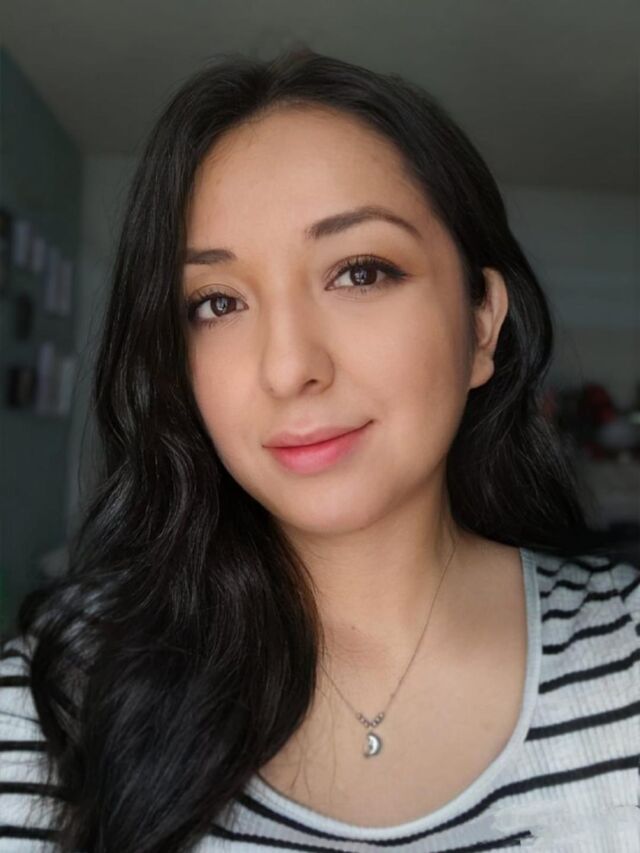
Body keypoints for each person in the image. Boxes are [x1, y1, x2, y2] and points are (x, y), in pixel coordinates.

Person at [1, 45, 638, 853]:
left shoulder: (626, 649)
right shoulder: (55, 702)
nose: (288, 366)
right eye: (217, 302)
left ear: (481, 323)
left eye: (360, 272)